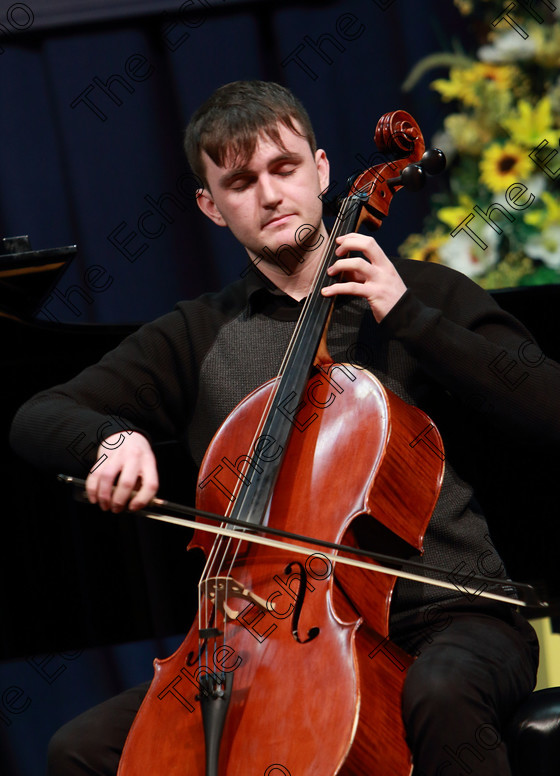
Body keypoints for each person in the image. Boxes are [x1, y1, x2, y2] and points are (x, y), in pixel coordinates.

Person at [9, 80, 559, 775]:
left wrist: (409, 317)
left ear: (322, 169)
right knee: (81, 749)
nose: (269, 194)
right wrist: (111, 439)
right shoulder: (196, 334)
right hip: (261, 642)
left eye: (284, 168)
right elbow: (40, 414)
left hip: (450, 621)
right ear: (211, 205)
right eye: (240, 181)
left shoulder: (423, 293)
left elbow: (548, 405)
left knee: (441, 693)